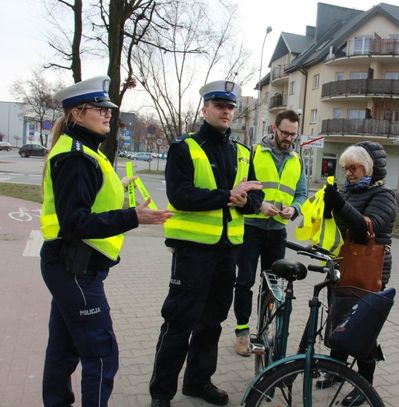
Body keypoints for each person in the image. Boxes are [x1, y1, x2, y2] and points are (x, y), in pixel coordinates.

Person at [40, 76, 171, 407]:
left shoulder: (83, 152)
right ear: (77, 114)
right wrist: (132, 217)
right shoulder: (76, 157)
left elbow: (88, 202)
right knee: (101, 354)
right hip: (75, 267)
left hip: (70, 265)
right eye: (99, 108)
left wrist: (119, 186)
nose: (107, 114)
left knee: (63, 348)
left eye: (108, 109)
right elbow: (76, 222)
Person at [149, 80, 263, 407]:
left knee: (212, 322)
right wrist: (228, 196)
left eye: (231, 107)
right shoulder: (185, 147)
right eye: (219, 105)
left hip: (228, 253)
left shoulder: (242, 152)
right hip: (192, 252)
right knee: (178, 323)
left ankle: (198, 382)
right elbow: (180, 195)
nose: (226, 111)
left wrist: (245, 202)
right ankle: (161, 395)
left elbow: (255, 199)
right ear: (205, 109)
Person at [322, 141, 396, 405]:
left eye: (354, 168)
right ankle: (337, 371)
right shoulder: (350, 191)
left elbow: (369, 229)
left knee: (363, 327)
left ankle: (364, 384)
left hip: (368, 270)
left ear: (369, 168)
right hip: (342, 265)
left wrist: (340, 205)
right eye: (346, 168)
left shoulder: (384, 195)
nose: (349, 173)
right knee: (338, 320)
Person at [233, 109, 308, 356]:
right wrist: (259, 204)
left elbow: (301, 193)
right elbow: (242, 184)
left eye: (293, 134)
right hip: (251, 228)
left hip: (277, 231)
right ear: (274, 128)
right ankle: (242, 334)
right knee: (244, 281)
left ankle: (263, 332)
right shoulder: (254, 153)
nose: (289, 138)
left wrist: (293, 210)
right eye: (285, 132)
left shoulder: (297, 160)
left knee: (272, 285)